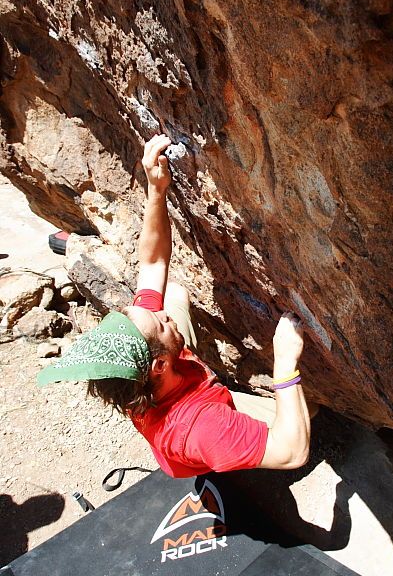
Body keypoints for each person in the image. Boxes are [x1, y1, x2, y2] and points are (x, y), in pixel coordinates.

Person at [38, 134, 311, 477]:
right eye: (160, 323)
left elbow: (152, 264)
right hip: (197, 427)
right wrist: (285, 364)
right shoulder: (200, 426)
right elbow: (291, 452)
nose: (160, 312)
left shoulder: (133, 365)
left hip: (178, 386)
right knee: (304, 413)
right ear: (158, 365)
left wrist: (156, 188)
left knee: (176, 294)